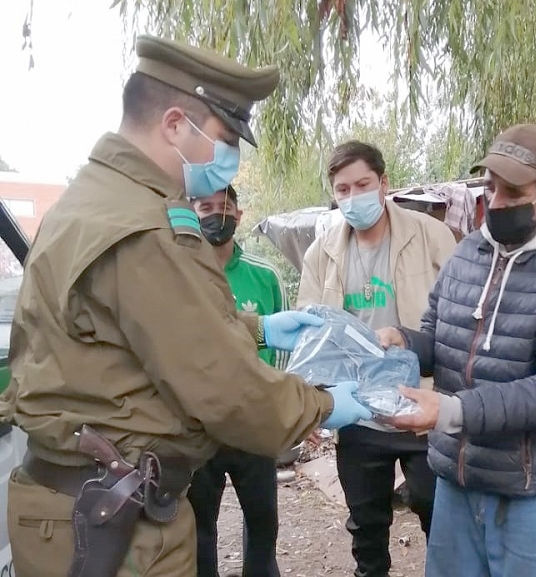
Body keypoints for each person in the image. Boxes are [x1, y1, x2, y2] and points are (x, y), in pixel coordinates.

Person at [0, 35, 372, 577]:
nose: (231, 161)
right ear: (175, 125)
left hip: (84, 507)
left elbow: (133, 331)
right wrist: (319, 405)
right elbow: (224, 388)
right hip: (114, 525)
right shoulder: (143, 226)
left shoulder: (91, 201)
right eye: (225, 139)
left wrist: (260, 327)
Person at [378, 124, 536, 577]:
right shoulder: (469, 252)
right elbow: (440, 338)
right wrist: (406, 341)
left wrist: (450, 410)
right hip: (455, 482)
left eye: (512, 190)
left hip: (528, 494)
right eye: (490, 187)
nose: (497, 201)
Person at [297, 140, 456, 577]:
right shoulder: (322, 253)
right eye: (342, 189)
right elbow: (310, 339)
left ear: (384, 183)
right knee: (366, 525)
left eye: (363, 184)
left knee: (435, 513)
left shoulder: (431, 236)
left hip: (421, 404)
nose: (353, 197)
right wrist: (310, 403)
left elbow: (463, 322)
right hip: (358, 410)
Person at [188, 185, 286, 577]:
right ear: (191, 213)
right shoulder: (179, 278)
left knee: (263, 528)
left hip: (254, 426)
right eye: (205, 207)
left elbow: (282, 352)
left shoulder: (265, 276)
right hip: (200, 429)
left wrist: (279, 411)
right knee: (198, 533)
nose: (215, 215)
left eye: (224, 207)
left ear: (239, 216)